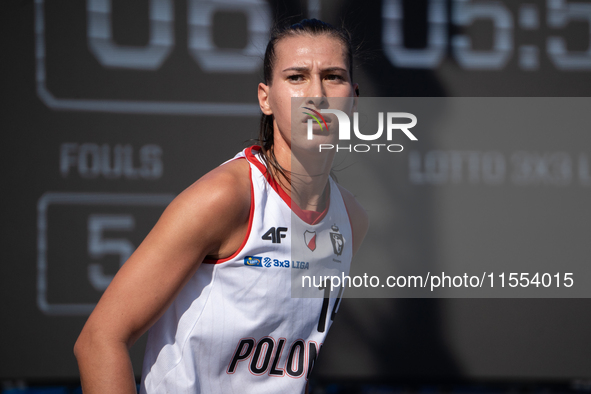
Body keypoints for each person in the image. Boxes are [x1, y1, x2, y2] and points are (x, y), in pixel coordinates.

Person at [74, 18, 368, 394]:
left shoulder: (352, 220)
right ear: (266, 98)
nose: (316, 94)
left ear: (354, 99)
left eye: (333, 76)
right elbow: (99, 342)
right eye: (296, 77)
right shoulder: (225, 198)